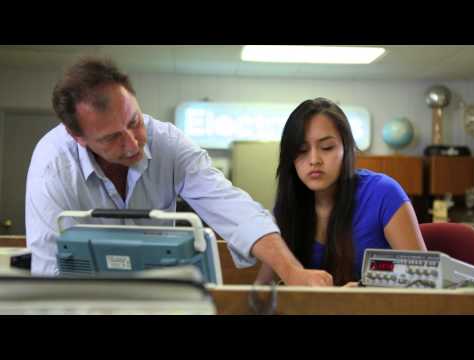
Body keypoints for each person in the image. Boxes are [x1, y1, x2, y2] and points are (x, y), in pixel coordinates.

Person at [25, 56, 333, 286]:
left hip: (159, 293)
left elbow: (232, 207)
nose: (132, 143)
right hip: (87, 301)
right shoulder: (52, 169)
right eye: (111, 138)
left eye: (134, 121)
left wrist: (292, 271)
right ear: (77, 136)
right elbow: (50, 272)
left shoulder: (168, 144)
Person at [255, 97, 427, 286]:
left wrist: (365, 293)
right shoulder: (287, 206)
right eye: (302, 150)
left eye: (327, 147)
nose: (314, 159)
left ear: (348, 149)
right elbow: (262, 288)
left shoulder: (383, 194)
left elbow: (422, 284)